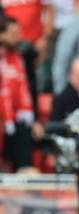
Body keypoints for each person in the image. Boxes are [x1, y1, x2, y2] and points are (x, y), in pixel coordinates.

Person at [0, 16, 35, 172]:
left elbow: (31, 87)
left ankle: (23, 179)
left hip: (20, 116)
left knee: (25, 132)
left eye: (18, 33)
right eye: (12, 34)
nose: (17, 38)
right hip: (2, 118)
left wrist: (36, 118)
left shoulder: (23, 55)